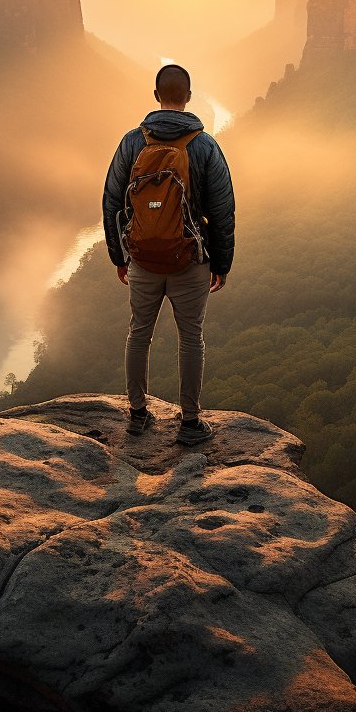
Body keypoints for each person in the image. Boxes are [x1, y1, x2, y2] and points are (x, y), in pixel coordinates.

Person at [102, 63, 235, 445]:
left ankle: (137, 414)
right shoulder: (205, 146)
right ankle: (190, 423)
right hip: (191, 260)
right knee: (190, 337)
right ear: (188, 97)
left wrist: (119, 255)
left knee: (139, 333)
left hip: (142, 258)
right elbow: (222, 210)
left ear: (156, 95)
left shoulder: (132, 142)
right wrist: (221, 264)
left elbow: (112, 199)